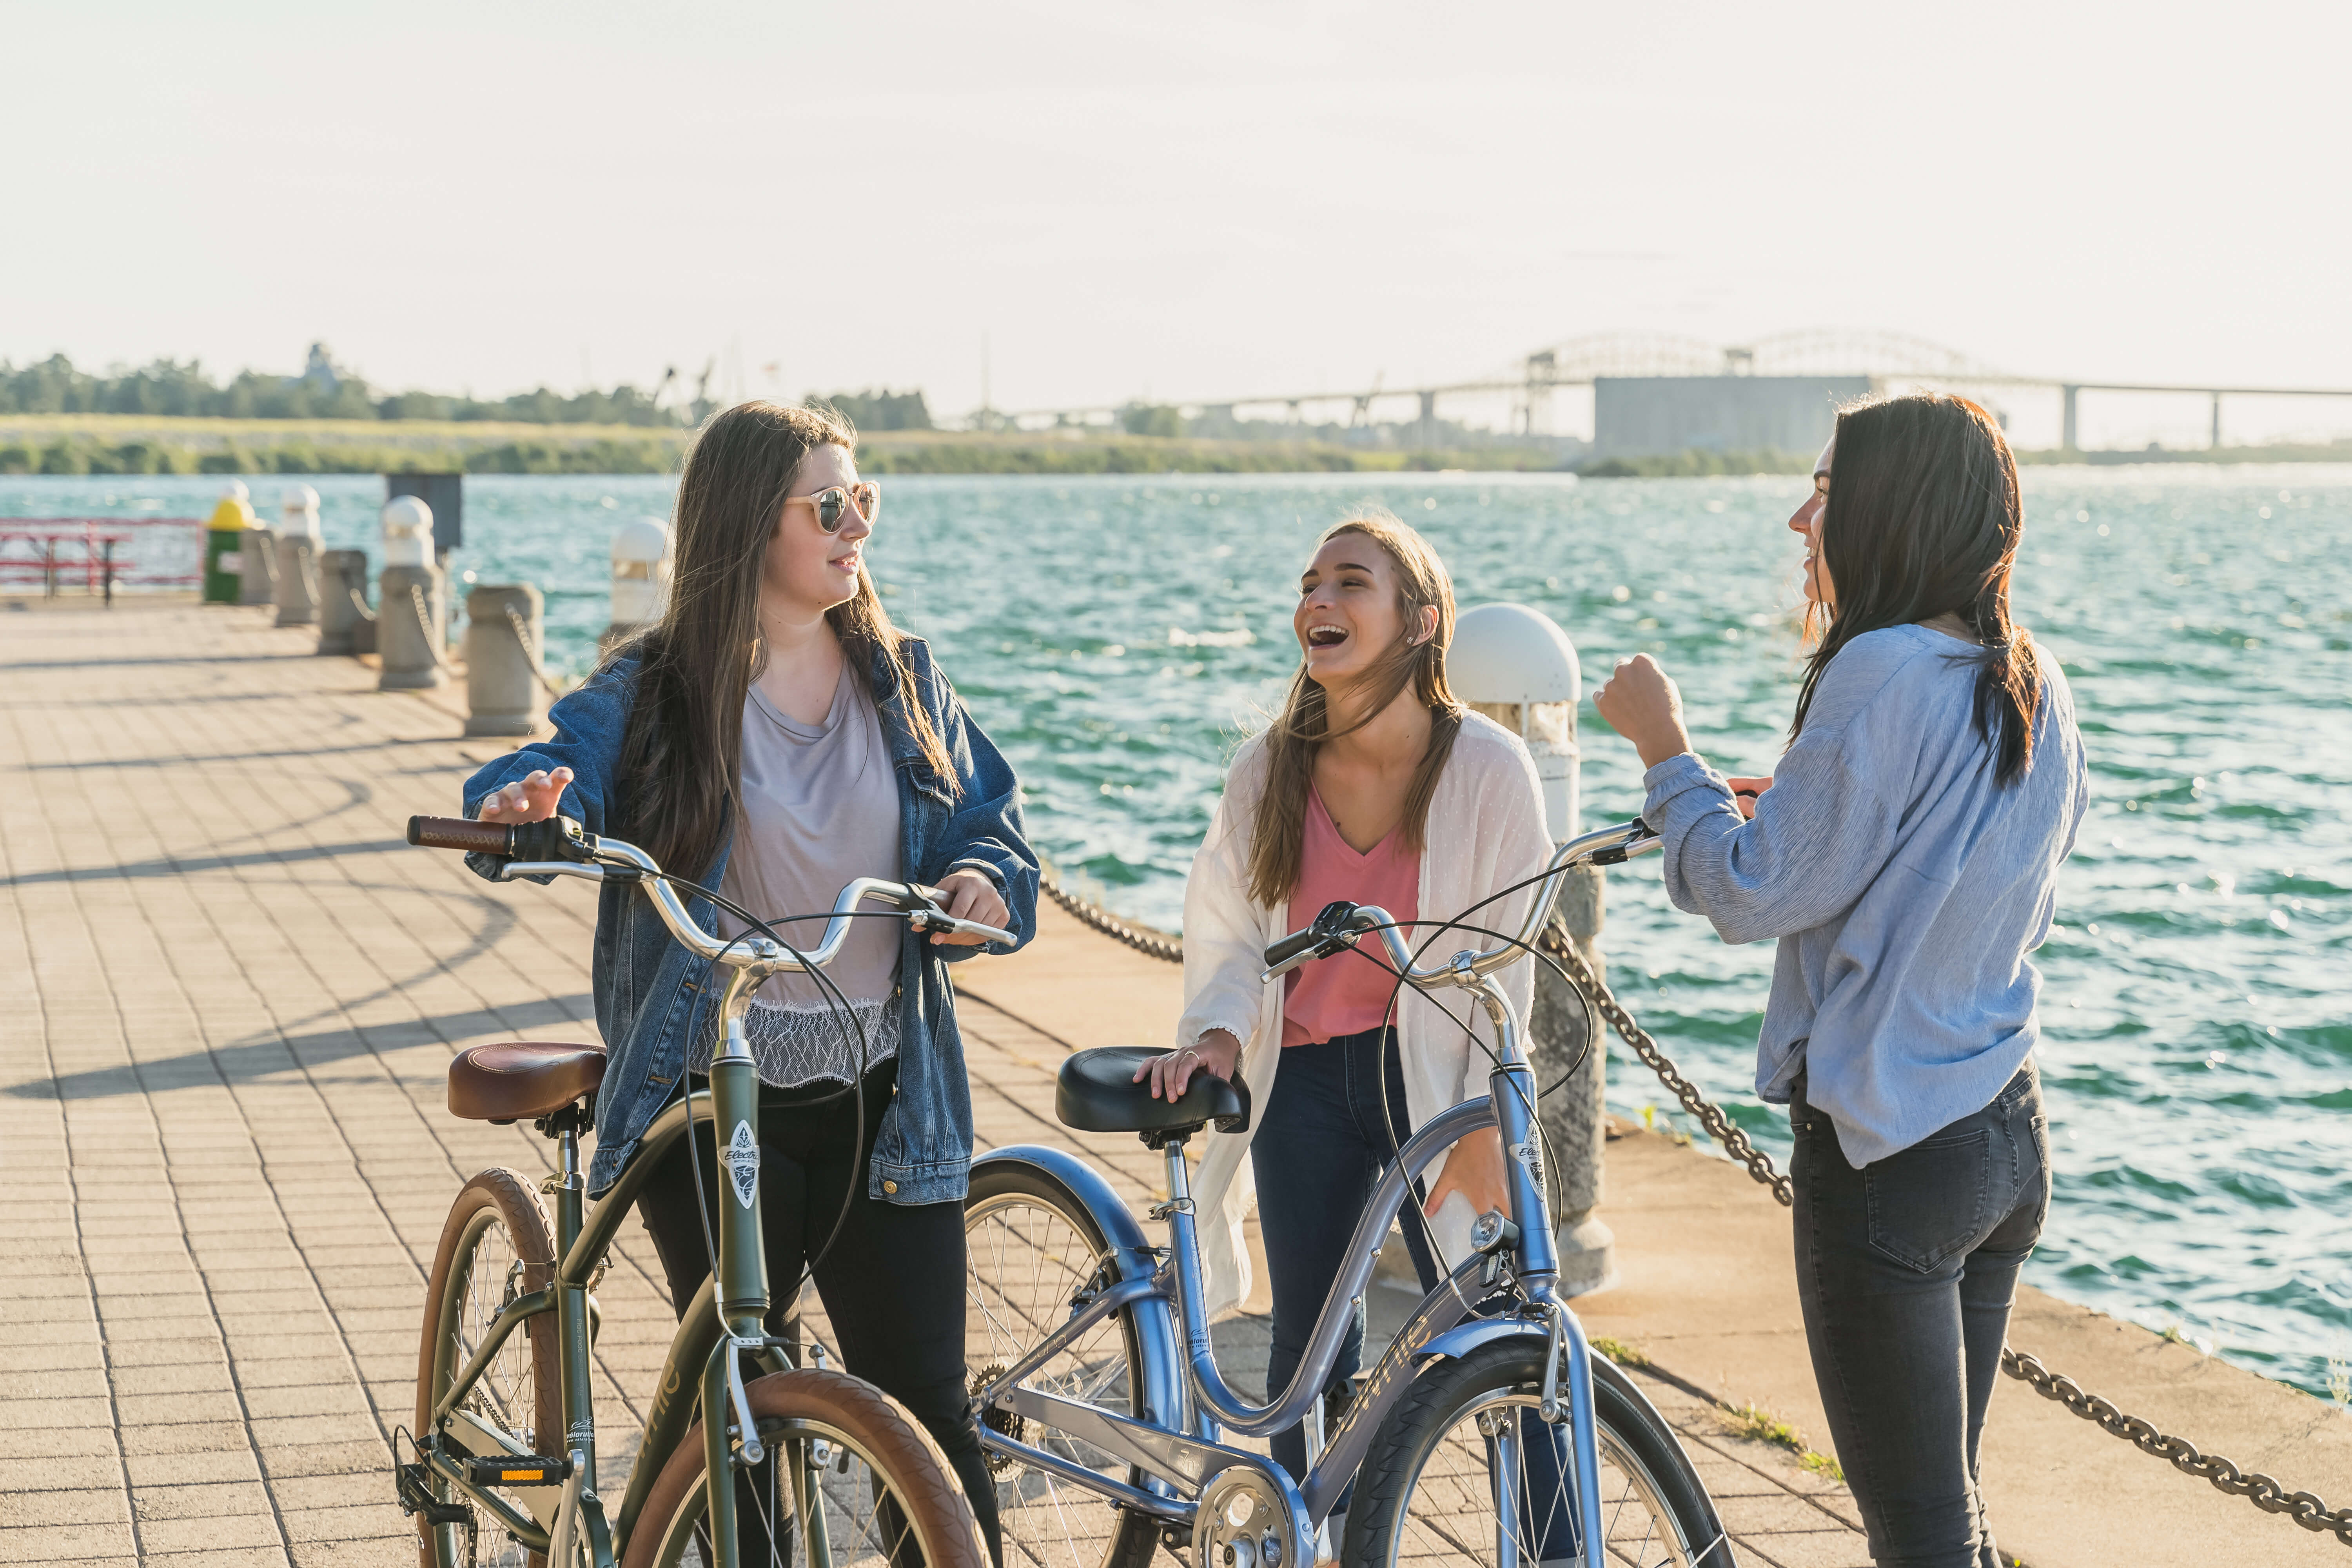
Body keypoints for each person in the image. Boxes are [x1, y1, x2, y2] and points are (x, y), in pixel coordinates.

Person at [460, 401, 1036, 1563]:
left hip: (887, 1089)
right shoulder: (658, 690)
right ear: (746, 521)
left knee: (926, 1419)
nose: (856, 523)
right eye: (829, 504)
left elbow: (992, 826)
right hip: (711, 1094)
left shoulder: (906, 680)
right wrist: (534, 806)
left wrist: (980, 880)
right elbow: (552, 766)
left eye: (864, 497)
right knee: (740, 1423)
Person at [1594, 392, 2088, 1568]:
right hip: (2002, 1129)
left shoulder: (1877, 668)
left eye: (1827, 489)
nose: (1802, 516)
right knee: (1948, 1516)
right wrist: (1797, 809)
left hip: (1888, 1152)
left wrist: (1667, 751)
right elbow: (1954, 862)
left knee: (1922, 1541)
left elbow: (1752, 894)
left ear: (1892, 506)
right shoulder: (2031, 678)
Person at [1134, 508, 1552, 1484]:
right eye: (1309, 584)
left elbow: (1505, 964)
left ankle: (1551, 1548)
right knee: (1308, 1349)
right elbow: (1233, 933)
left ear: (1422, 620)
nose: (1317, 599)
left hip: (1443, 1085)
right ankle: (1305, 1536)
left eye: (1350, 582)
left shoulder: (1489, 767)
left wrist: (1493, 1115)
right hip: (1309, 1082)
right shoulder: (1269, 767)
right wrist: (1220, 1039)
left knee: (1502, 1335)